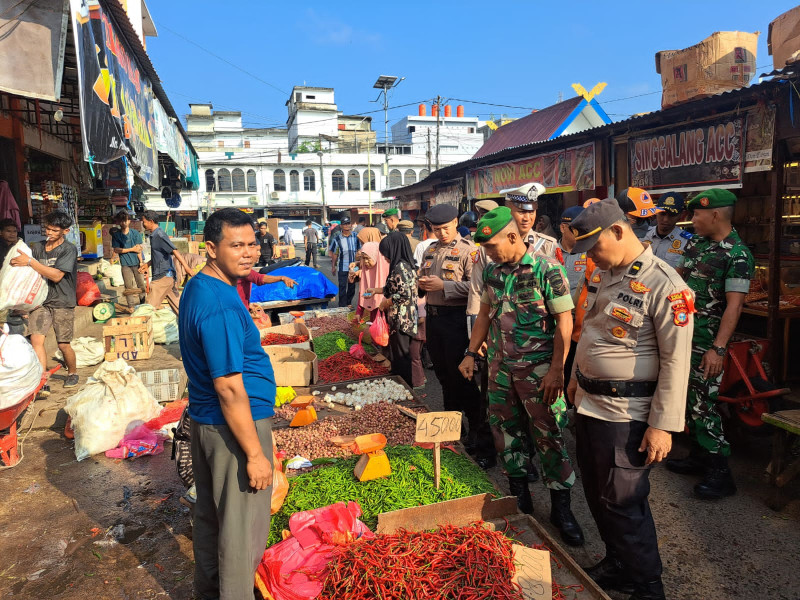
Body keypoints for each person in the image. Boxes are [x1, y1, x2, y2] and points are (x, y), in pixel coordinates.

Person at [565, 198, 693, 600]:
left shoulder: (667, 286)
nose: (592, 259)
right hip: (590, 405)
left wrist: (662, 426)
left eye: (594, 248)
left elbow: (677, 361)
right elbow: (591, 334)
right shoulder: (610, 273)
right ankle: (619, 562)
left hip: (627, 414)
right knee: (596, 493)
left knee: (623, 501)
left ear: (618, 231)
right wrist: (575, 378)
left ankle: (647, 584)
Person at [459, 207, 584, 545]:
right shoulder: (492, 273)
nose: (488, 253)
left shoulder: (548, 269)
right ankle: (520, 496)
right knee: (506, 434)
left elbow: (564, 323)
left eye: (492, 246)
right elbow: (484, 314)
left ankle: (561, 508)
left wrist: (558, 370)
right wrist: (472, 353)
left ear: (513, 237)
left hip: (539, 372)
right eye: (485, 248)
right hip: (500, 371)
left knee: (549, 436)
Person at [178, 208, 276, 600]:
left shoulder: (203, 287)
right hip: (232, 429)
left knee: (211, 521)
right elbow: (230, 388)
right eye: (236, 245)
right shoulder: (217, 302)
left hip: (209, 424)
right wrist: (254, 453)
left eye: (252, 243)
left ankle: (208, 593)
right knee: (240, 537)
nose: (248, 252)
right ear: (211, 249)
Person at [667, 189, 754, 500]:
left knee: (704, 403)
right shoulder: (697, 244)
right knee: (688, 400)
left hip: (707, 344)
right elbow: (678, 280)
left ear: (715, 215)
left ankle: (720, 472)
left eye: (697, 215)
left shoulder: (738, 255)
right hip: (682, 336)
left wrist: (718, 348)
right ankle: (700, 456)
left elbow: (735, 306)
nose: (692, 221)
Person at [417, 204, 494, 465]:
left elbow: (477, 288)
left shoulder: (469, 250)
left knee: (463, 378)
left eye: (446, 228)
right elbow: (422, 277)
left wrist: (444, 285)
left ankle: (477, 433)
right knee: (444, 377)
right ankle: (452, 430)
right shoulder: (430, 249)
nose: (441, 233)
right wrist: (421, 284)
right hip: (435, 320)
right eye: (436, 229)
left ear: (455, 223)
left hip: (458, 321)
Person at [10, 211, 79, 395]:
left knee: (63, 344)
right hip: (41, 302)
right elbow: (27, 272)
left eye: (54, 230)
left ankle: (72, 372)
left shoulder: (68, 249)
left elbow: (56, 276)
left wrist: (30, 262)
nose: (49, 232)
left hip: (63, 301)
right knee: (36, 340)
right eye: (47, 228)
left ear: (65, 231)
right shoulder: (38, 247)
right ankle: (42, 381)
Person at [370, 231, 419, 387]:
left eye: (386, 254)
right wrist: (376, 291)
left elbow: (404, 295)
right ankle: (399, 384)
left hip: (402, 320)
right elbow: (392, 288)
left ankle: (404, 388)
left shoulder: (400, 267)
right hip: (405, 318)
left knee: (402, 356)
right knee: (398, 354)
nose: (385, 258)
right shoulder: (405, 265)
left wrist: (386, 303)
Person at [559, 205, 595, 391]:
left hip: (580, 321)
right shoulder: (549, 250)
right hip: (555, 320)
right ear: (563, 228)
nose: (580, 234)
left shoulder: (590, 252)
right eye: (576, 230)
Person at [139, 211, 193, 315]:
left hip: (162, 277)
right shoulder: (154, 235)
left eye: (144, 221)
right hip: (168, 276)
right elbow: (161, 255)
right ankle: (191, 325)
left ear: (150, 221)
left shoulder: (159, 235)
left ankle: (142, 329)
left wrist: (187, 268)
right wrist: (148, 264)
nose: (143, 224)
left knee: (147, 309)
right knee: (179, 308)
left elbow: (174, 250)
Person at [643, 191, 692, 268]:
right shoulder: (642, 235)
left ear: (681, 215)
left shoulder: (688, 242)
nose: (665, 219)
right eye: (662, 214)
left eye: (672, 215)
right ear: (656, 212)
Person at [111, 211, 146, 307]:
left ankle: (143, 304)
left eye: (125, 221)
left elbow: (138, 249)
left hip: (137, 262)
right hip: (125, 264)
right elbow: (117, 249)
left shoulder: (135, 233)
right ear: (118, 222)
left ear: (129, 221)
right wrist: (131, 249)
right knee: (128, 286)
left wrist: (141, 262)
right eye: (121, 221)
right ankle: (131, 306)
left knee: (141, 285)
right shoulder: (116, 235)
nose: (123, 223)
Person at [354, 227, 389, 321]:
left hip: (387, 311)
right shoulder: (366, 268)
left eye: (367, 259)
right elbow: (362, 291)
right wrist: (358, 312)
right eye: (363, 259)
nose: (365, 262)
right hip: (372, 312)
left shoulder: (386, 266)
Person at [328, 217, 361, 307]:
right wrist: (333, 266)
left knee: (352, 286)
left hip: (354, 267)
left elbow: (359, 250)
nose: (347, 225)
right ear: (341, 226)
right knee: (342, 286)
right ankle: (342, 305)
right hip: (343, 266)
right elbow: (335, 253)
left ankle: (349, 303)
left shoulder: (356, 236)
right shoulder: (337, 239)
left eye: (348, 223)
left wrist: (359, 264)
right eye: (345, 224)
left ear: (351, 224)